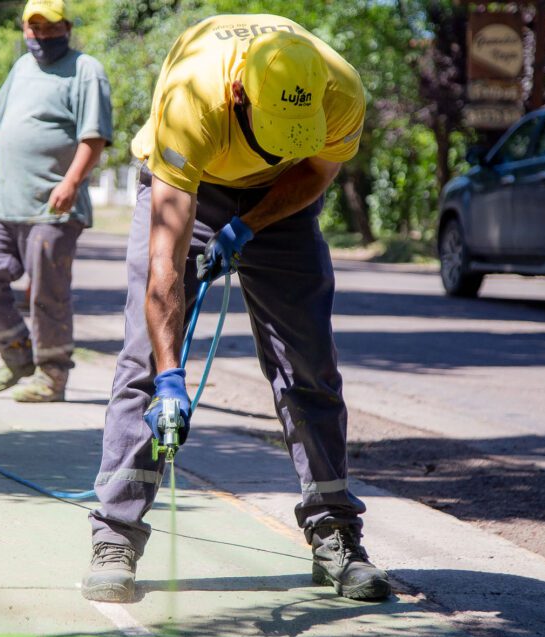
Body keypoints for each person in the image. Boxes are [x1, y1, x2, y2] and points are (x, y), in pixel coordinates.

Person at [82, 14, 390, 604]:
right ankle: (115, 533)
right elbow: (164, 264)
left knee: (310, 365)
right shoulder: (191, 100)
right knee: (145, 364)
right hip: (189, 183)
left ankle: (336, 532)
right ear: (239, 93)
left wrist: (249, 224)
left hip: (282, 194)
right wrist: (174, 377)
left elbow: (314, 172)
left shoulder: (340, 90)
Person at [0, 0, 112, 402]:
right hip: (5, 204)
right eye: (33, 28)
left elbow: (94, 138)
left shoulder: (86, 71)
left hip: (53, 208)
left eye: (49, 28)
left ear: (67, 28)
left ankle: (51, 376)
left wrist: (71, 182)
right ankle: (17, 354)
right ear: (24, 31)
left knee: (47, 291)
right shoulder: (22, 69)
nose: (40, 36)